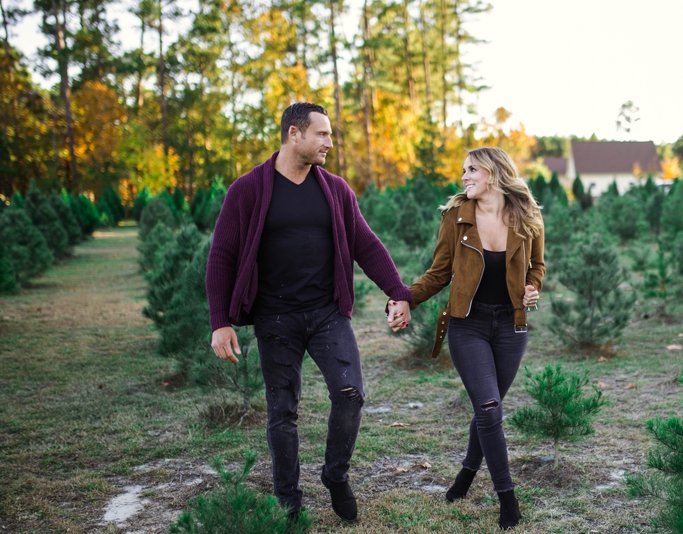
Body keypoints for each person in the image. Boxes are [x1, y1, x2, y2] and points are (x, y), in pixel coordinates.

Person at [205, 102, 415, 522]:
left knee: (350, 395)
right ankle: (288, 500)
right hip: (275, 317)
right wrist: (220, 323)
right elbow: (222, 256)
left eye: (330, 134)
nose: (330, 143)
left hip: (326, 313)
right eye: (322, 134)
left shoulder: (335, 190)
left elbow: (366, 244)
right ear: (294, 135)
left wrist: (398, 291)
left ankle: (335, 475)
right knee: (282, 412)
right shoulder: (247, 190)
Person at [389, 147, 546, 530]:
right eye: (463, 170)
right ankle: (507, 498)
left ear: (493, 173)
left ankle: (465, 474)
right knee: (490, 409)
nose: (464, 177)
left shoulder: (528, 215)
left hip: (512, 327)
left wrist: (532, 287)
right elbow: (438, 273)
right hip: (468, 325)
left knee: (485, 410)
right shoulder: (456, 217)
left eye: (472, 169)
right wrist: (404, 297)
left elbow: (537, 265)